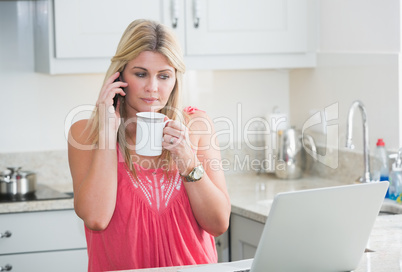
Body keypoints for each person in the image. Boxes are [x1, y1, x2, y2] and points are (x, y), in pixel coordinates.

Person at [67, 19, 231, 271]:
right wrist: (108, 132)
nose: (152, 88)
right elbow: (96, 219)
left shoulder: (197, 126)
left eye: (164, 76)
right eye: (140, 74)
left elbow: (218, 224)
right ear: (119, 75)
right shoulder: (86, 134)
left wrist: (187, 159)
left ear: (175, 78)